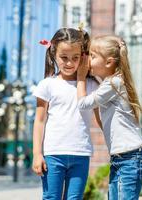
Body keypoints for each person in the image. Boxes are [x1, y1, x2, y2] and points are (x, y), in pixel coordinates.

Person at [77, 35, 142, 200]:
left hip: (130, 156)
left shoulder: (113, 83)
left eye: (93, 56)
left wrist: (81, 77)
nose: (89, 61)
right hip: (122, 156)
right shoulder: (111, 83)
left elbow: (82, 104)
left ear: (109, 62)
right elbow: (102, 121)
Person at [32, 27, 99, 199]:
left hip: (81, 153)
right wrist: (37, 154)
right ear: (54, 53)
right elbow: (39, 121)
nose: (69, 63)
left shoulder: (91, 86)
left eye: (75, 58)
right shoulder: (47, 85)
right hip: (53, 154)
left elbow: (100, 117)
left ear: (83, 56)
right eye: (64, 58)